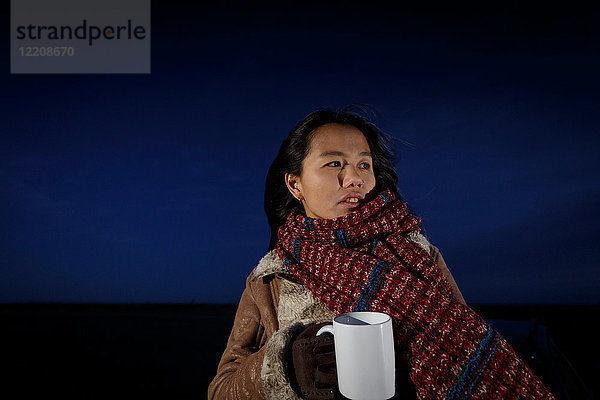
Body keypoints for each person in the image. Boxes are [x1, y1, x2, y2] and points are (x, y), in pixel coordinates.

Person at [208, 108, 555, 399]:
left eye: (364, 165)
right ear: (295, 184)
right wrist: (287, 364)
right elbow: (222, 389)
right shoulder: (272, 276)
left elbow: (466, 351)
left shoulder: (416, 254)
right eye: (334, 164)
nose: (354, 178)